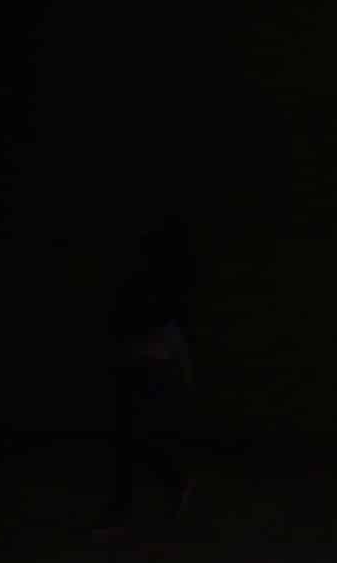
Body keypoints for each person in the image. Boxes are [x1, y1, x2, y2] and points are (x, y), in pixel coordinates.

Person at [100, 217, 193, 531]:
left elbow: (168, 335)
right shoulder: (150, 294)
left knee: (134, 438)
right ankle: (139, 497)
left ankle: (167, 486)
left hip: (148, 370)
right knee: (128, 439)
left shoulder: (157, 296)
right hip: (138, 368)